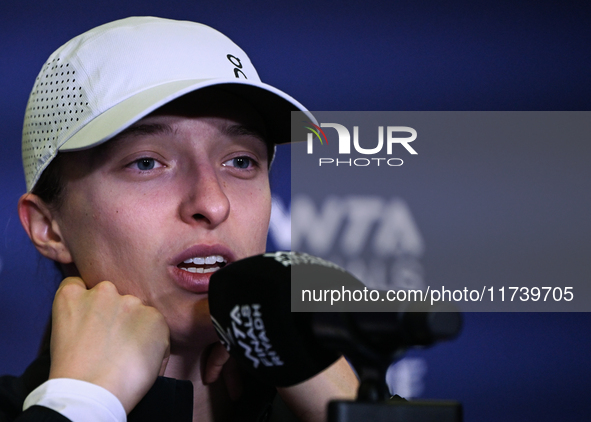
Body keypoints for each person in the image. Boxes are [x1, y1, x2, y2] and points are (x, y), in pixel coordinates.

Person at [0, 16, 358, 422]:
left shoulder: (334, 406)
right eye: (147, 163)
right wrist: (81, 404)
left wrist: (350, 410)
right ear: (48, 227)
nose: (212, 202)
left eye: (240, 161)